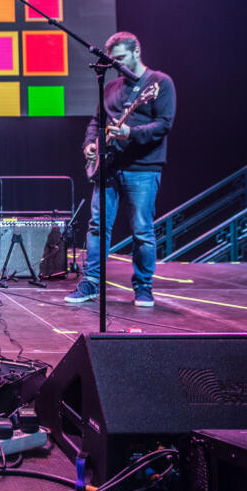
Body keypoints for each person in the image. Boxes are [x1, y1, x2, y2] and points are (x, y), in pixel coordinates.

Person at [64, 32, 175, 308]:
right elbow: (96, 121)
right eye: (113, 60)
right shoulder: (112, 86)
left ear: (137, 52)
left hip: (143, 168)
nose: (117, 64)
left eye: (121, 58)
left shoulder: (159, 83)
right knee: (97, 227)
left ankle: (143, 287)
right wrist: (90, 145)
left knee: (142, 230)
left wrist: (130, 133)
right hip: (109, 166)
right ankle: (91, 282)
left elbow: (163, 125)